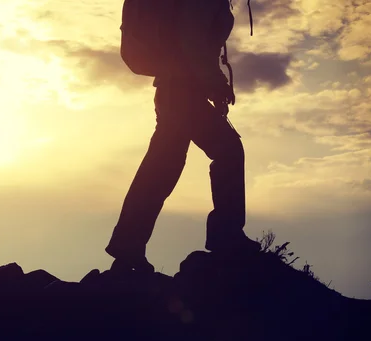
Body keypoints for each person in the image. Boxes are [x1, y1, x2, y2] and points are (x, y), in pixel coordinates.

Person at [107, 0, 261, 273]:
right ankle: (226, 235)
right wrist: (215, 83)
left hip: (174, 90)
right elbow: (190, 41)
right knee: (228, 150)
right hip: (182, 91)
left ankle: (127, 244)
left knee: (162, 167)